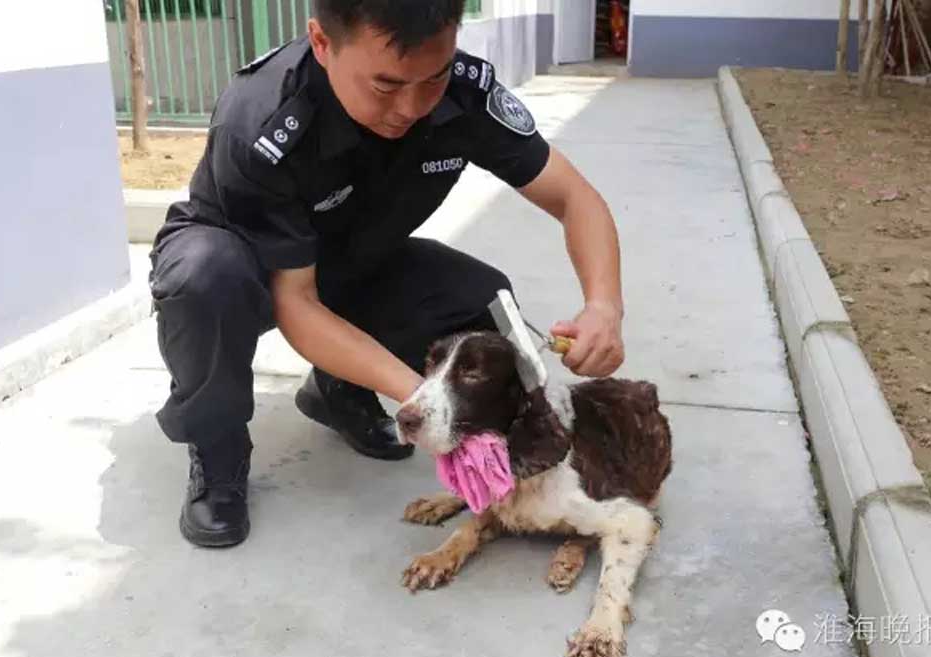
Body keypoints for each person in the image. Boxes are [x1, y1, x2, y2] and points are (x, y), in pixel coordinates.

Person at [148, 0, 625, 548]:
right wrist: (422, 398)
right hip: (243, 264)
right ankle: (218, 451)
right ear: (322, 43)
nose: (412, 106)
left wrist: (603, 306)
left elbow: (574, 198)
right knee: (205, 278)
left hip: (349, 255)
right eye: (386, 85)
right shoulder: (262, 120)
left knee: (478, 309)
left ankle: (337, 391)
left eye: (434, 78)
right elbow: (295, 301)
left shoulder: (464, 92)